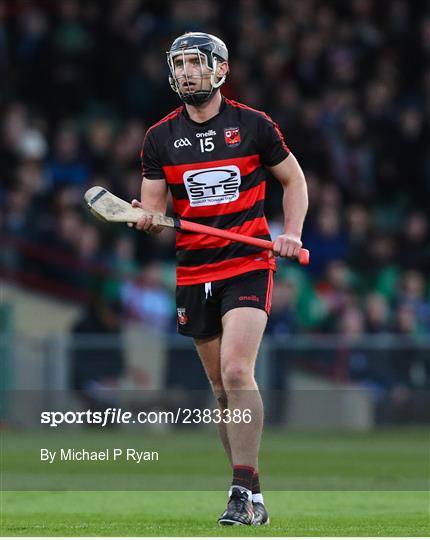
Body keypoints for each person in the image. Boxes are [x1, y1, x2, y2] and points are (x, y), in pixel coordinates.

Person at [133, 32, 308, 526]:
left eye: (195, 62)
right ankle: (252, 493)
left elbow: (293, 180)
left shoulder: (253, 125)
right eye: (179, 63)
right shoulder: (159, 138)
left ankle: (238, 491)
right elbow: (153, 210)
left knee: (236, 371)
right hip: (194, 269)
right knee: (219, 388)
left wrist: (290, 233)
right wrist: (143, 218)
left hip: (248, 264)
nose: (186, 71)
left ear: (220, 69)